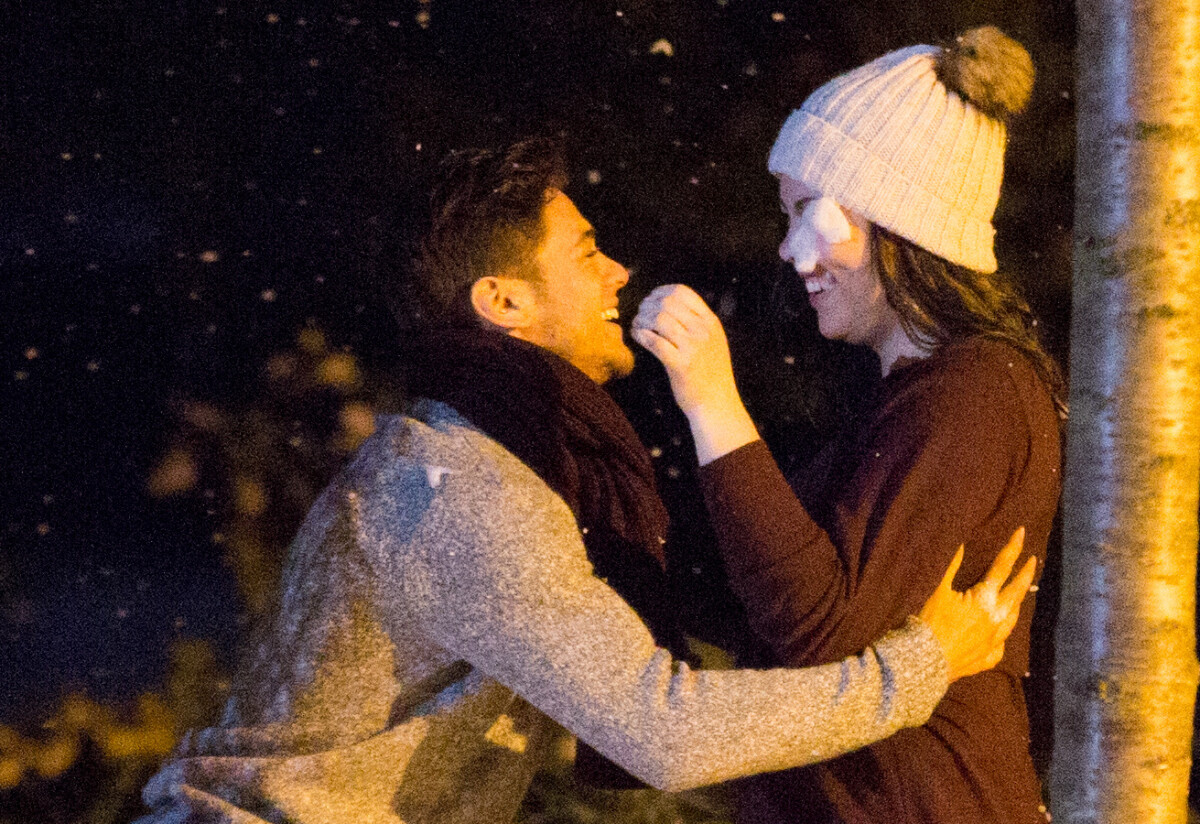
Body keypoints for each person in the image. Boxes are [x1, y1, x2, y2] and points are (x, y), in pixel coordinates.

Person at [134, 139, 1036, 824]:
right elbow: (663, 729)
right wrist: (913, 671)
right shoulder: (458, 488)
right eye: (587, 252)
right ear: (505, 303)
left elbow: (702, 616)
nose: (619, 273)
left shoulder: (516, 462)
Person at [634, 26, 1063, 824]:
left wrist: (712, 402)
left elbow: (820, 633)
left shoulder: (977, 392)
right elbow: (783, 607)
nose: (794, 251)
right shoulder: (919, 391)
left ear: (896, 217)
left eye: (807, 211)